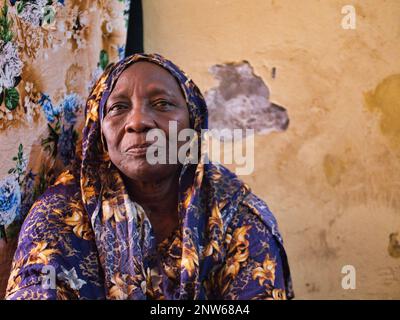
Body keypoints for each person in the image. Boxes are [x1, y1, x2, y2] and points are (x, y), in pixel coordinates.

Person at [5, 53, 294, 300]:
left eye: (162, 104)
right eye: (118, 107)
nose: (139, 121)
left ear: (192, 125)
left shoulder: (235, 215)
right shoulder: (60, 215)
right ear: (99, 133)